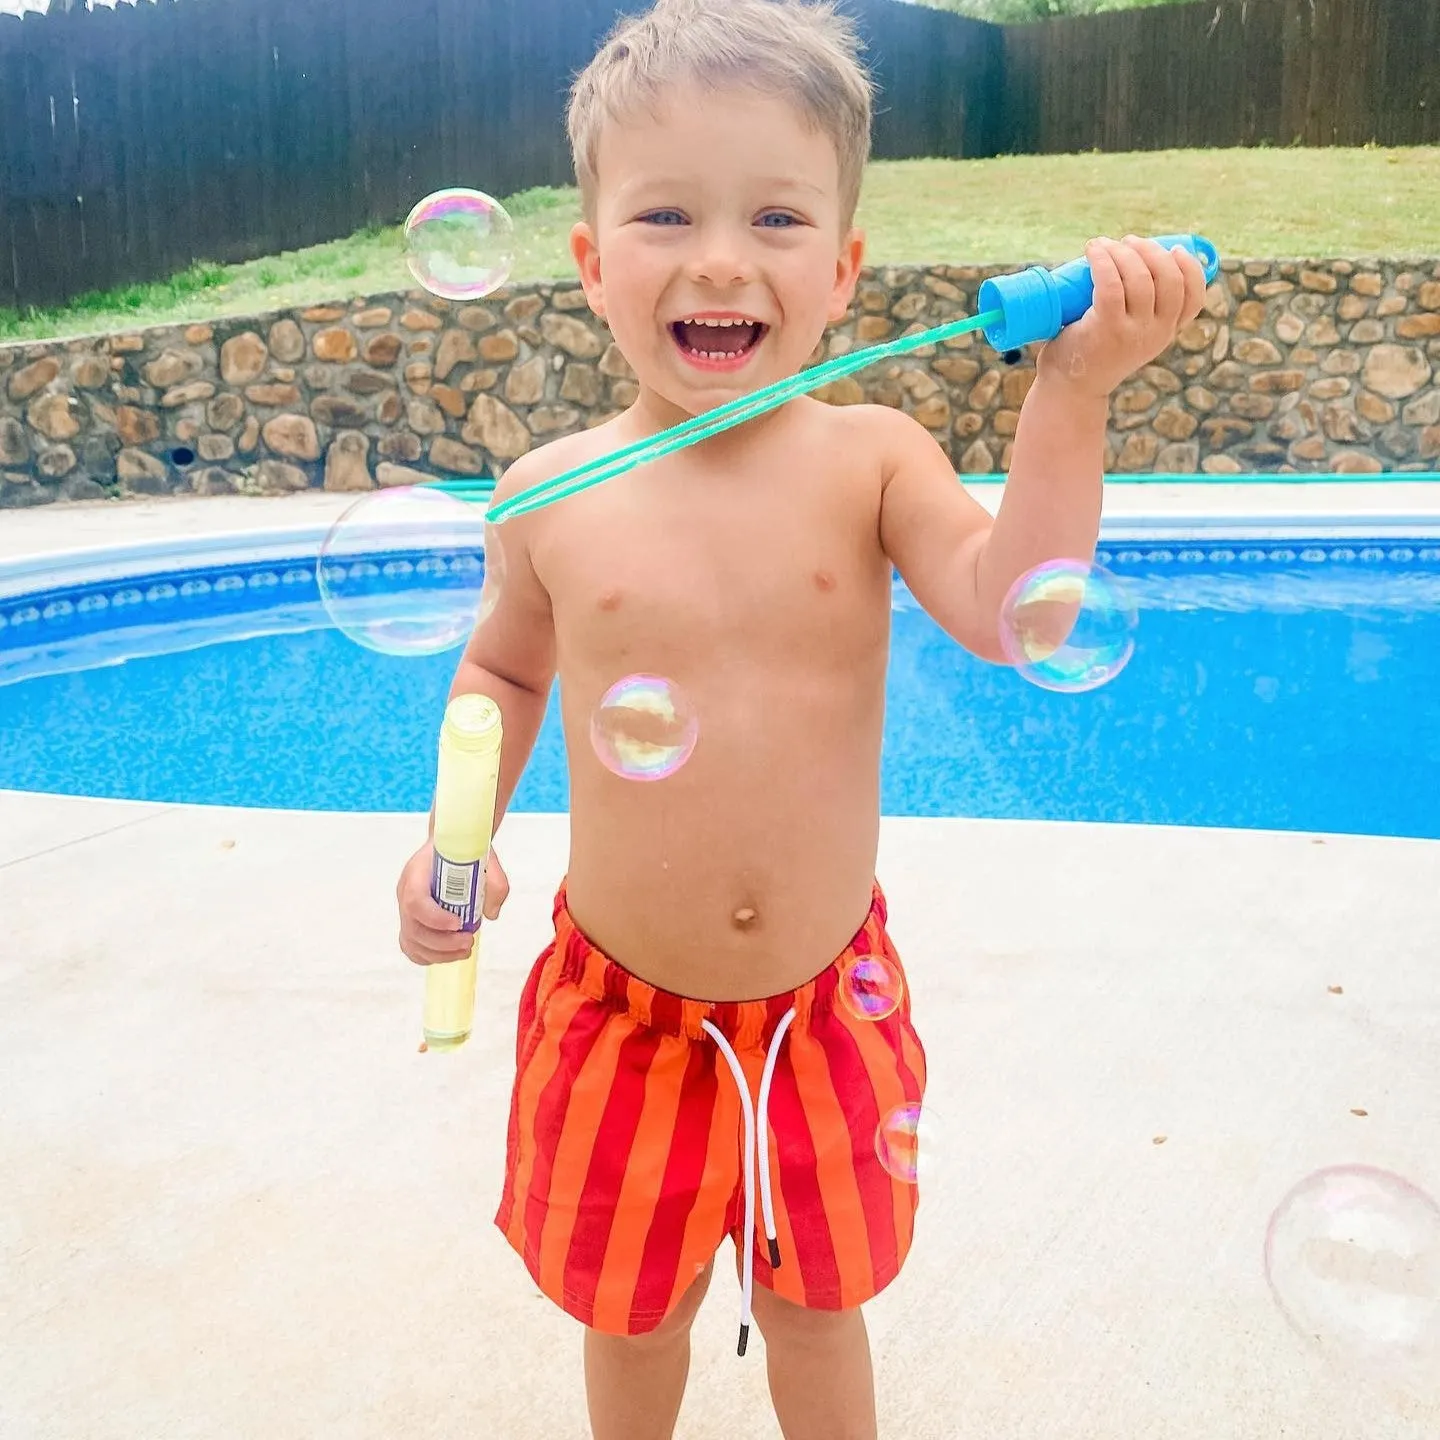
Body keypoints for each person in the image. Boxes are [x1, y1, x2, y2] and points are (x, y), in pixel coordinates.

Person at [396, 1, 1207, 1435]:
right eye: (665, 215)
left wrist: (1071, 395)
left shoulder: (873, 460)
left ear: (841, 269)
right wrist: (454, 839)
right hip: (619, 1015)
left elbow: (1017, 613)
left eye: (776, 217)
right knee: (633, 1318)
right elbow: (507, 675)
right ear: (591, 264)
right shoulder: (550, 491)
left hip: (829, 1016)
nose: (721, 257)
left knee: (819, 1309)